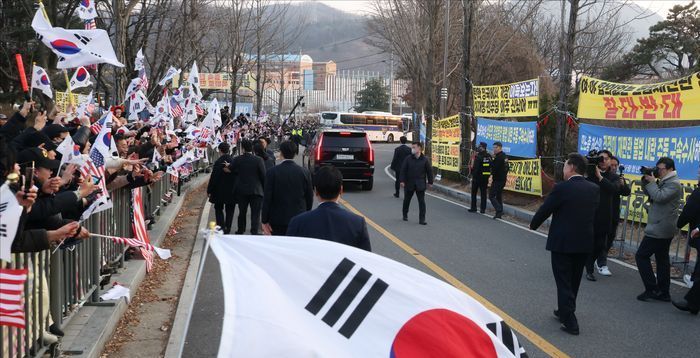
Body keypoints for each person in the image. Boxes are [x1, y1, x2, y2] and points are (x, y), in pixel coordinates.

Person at [530, 153, 599, 335]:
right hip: (584, 241)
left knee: (563, 281)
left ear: (572, 168)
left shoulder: (562, 188)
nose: (563, 168)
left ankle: (570, 321)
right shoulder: (593, 188)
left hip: (563, 242)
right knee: (573, 280)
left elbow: (546, 209)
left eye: (565, 165)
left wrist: (533, 225)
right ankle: (564, 310)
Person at [287, 166, 371, 251]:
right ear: (341, 190)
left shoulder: (297, 222)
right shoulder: (357, 223)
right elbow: (366, 259)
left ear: (316, 191)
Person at [635, 157, 683, 302]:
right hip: (661, 226)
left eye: (660, 169)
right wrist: (646, 180)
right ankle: (664, 292)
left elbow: (659, 196)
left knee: (641, 256)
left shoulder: (674, 184)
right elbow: (651, 194)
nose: (658, 171)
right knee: (662, 259)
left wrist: (652, 182)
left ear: (669, 169)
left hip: (660, 228)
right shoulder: (665, 181)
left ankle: (651, 288)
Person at [262, 140, 314, 235]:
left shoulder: (272, 172)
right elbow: (309, 197)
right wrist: (307, 214)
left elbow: (267, 198)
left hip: (277, 219)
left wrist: (264, 220)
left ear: (281, 153)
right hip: (299, 217)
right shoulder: (304, 172)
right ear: (294, 154)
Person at [584, 150, 618, 281]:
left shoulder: (613, 177)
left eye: (605, 159)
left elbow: (614, 189)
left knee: (600, 245)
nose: (603, 161)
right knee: (589, 244)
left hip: (605, 216)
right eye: (600, 159)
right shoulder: (589, 174)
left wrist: (601, 177)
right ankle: (589, 270)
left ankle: (591, 262)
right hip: (590, 214)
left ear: (610, 160)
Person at [597, 156, 631, 277]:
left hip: (614, 213)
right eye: (612, 165)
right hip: (601, 214)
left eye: (616, 165)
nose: (614, 167)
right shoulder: (601, 177)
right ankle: (601, 263)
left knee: (610, 237)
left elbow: (626, 192)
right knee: (602, 239)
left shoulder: (617, 178)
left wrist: (623, 184)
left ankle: (601, 257)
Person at [231, 139, 266, 235]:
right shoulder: (259, 160)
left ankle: (240, 229)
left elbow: (232, 169)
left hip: (242, 190)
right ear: (252, 148)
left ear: (242, 148)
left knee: (242, 211)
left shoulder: (238, 159)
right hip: (256, 189)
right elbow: (263, 175)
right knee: (255, 213)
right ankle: (254, 230)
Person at [676, 167, 700, 289]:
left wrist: (679, 224)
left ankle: (695, 284)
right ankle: (693, 280)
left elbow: (688, 212)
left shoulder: (698, 193)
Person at [400, 141, 433, 225]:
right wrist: (402, 181)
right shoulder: (408, 158)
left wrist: (430, 182)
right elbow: (403, 170)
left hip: (420, 184)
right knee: (407, 200)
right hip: (409, 183)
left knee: (421, 202)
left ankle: (422, 219)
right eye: (412, 147)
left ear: (419, 148)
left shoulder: (425, 159)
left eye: (414, 147)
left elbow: (429, 172)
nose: (412, 149)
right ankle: (405, 214)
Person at [207, 142, 236, 234]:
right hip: (231, 189)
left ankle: (221, 227)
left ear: (219, 150)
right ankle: (228, 227)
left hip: (219, 189)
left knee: (218, 208)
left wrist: (209, 189)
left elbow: (214, 177)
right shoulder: (233, 161)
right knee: (230, 209)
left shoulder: (218, 162)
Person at [469, 142, 491, 214]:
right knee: (481, 194)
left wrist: (473, 175)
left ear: (483, 147)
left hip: (478, 178)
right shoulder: (488, 156)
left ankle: (475, 208)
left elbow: (476, 168)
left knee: (476, 193)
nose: (478, 147)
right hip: (483, 178)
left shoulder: (479, 156)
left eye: (480, 146)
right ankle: (480, 209)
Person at [489, 142, 508, 219]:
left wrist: (491, 160)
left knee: (491, 196)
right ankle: (499, 213)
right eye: (493, 147)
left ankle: (499, 209)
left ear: (500, 148)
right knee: (498, 196)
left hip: (498, 180)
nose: (494, 149)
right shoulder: (504, 156)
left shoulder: (499, 157)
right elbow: (507, 168)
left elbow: (494, 168)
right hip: (502, 179)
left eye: (495, 147)